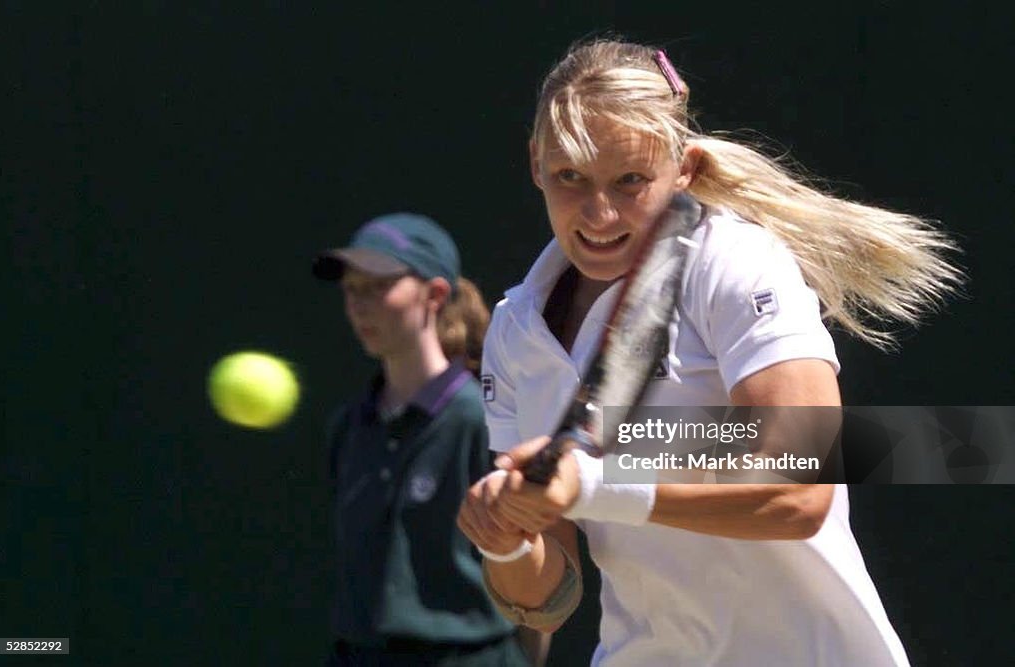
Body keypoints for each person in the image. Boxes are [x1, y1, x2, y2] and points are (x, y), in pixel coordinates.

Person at [456, 39, 962, 666]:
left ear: (685, 169)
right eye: (570, 177)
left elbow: (800, 493)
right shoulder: (515, 330)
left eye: (631, 180)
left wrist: (590, 483)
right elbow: (551, 597)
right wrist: (507, 538)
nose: (599, 212)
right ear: (536, 164)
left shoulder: (737, 264)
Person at [313, 213, 531, 666]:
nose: (360, 305)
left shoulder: (481, 421)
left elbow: (533, 585)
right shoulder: (349, 427)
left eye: (378, 286)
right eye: (352, 290)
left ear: (434, 294)